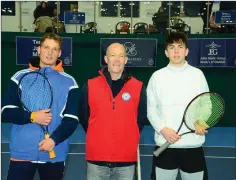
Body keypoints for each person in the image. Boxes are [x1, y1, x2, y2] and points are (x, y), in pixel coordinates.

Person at [1, 33, 79, 180]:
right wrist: (32, 117)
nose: (49, 52)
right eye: (46, 47)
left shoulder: (70, 83)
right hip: (22, 153)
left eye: (54, 49)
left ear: (60, 53)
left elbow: (72, 119)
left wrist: (53, 140)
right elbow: (5, 112)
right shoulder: (19, 77)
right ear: (39, 49)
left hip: (53, 154)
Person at [79, 42, 147, 180]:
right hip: (96, 159)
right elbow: (84, 117)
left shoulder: (138, 86)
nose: (117, 59)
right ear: (106, 59)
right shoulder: (90, 85)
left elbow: (140, 120)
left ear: (126, 60)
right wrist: (98, 134)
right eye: (113, 55)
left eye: (121, 56)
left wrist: (127, 137)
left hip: (126, 161)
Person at [147, 32, 209, 180]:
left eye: (180, 47)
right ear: (166, 52)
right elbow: (151, 109)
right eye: (172, 47)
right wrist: (163, 129)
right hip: (165, 145)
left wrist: (201, 121)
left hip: (193, 145)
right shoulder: (157, 77)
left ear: (186, 51)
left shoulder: (197, 75)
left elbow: (206, 103)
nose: (176, 51)